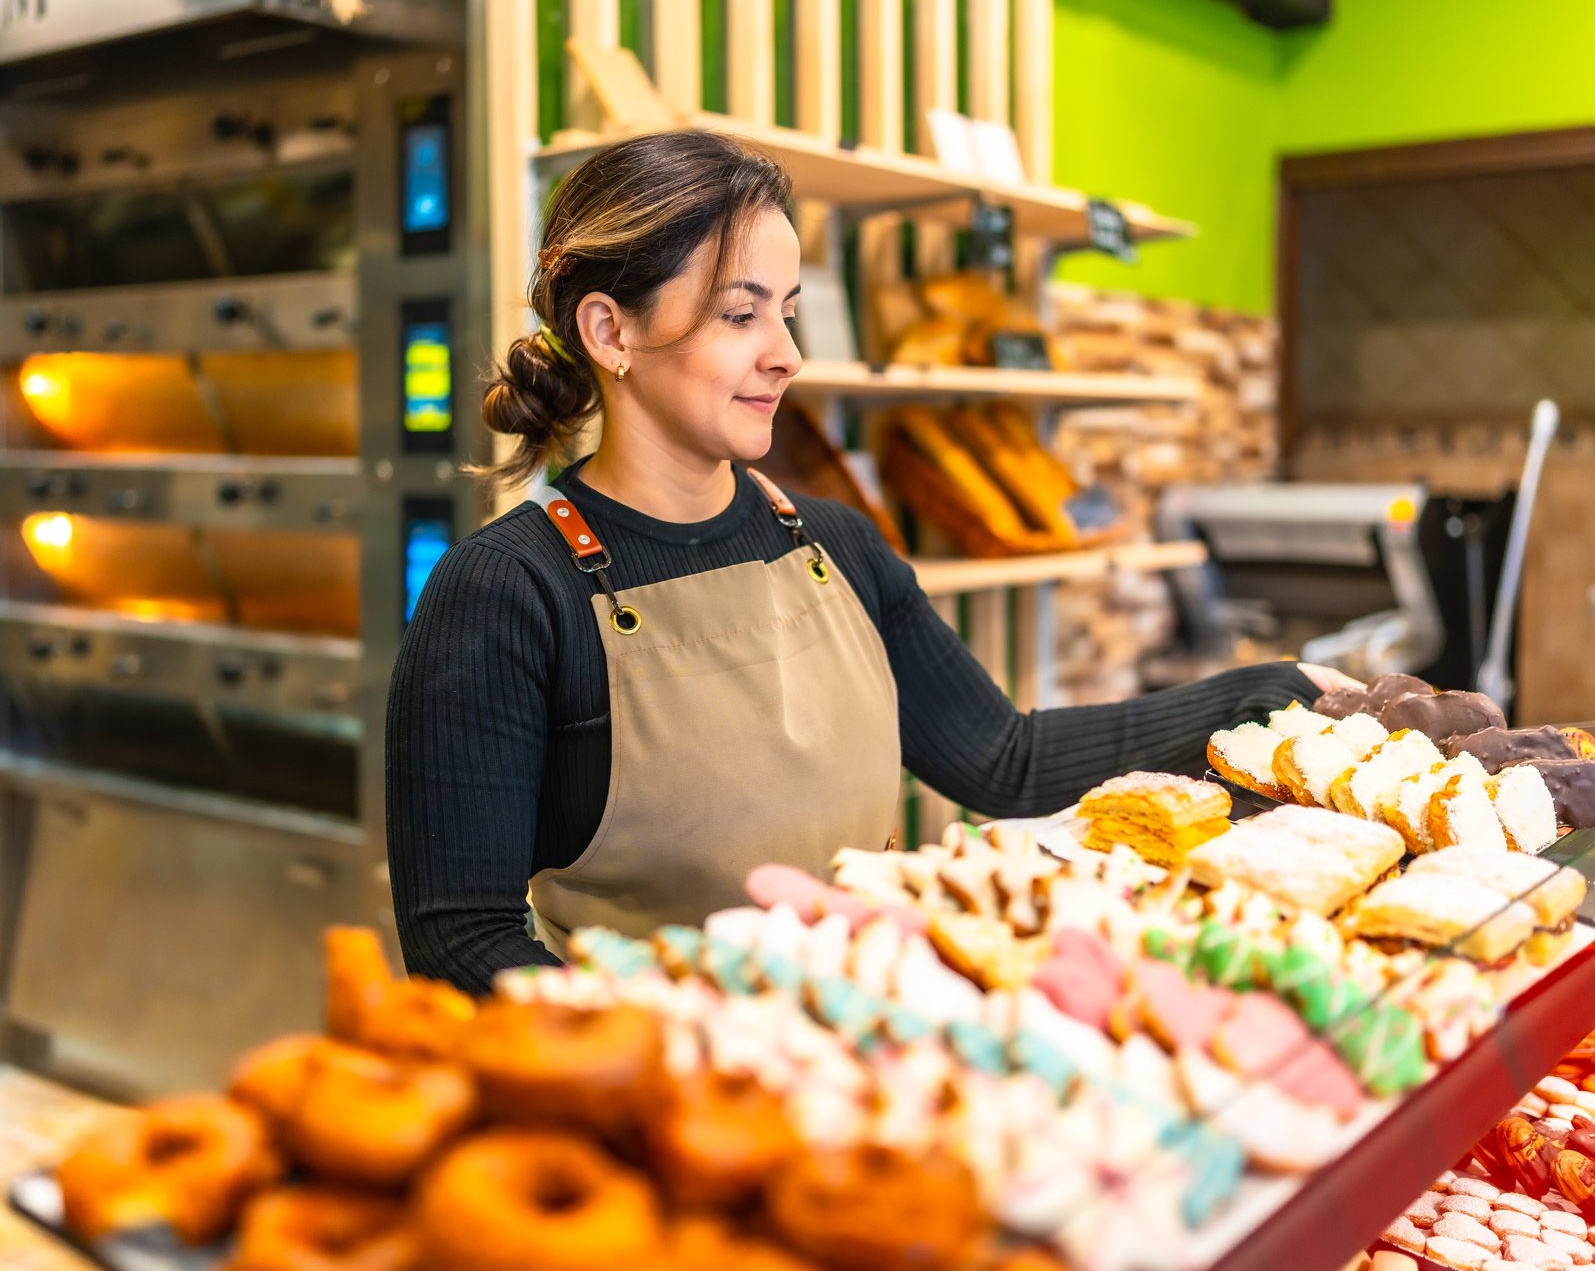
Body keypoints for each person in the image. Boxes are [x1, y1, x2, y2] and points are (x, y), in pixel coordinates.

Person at [385, 129, 1354, 994]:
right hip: (663, 1106)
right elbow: (459, 938)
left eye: (791, 311)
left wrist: (1269, 694)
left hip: (873, 1058)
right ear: (611, 331)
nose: (788, 354)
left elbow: (1002, 759)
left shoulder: (834, 542)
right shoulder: (507, 590)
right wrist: (663, 1060)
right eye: (741, 314)